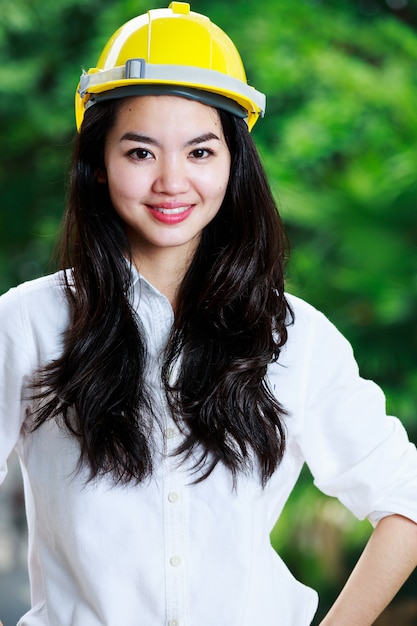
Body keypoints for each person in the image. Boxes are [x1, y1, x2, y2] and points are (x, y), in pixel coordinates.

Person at [0, 3, 416, 625]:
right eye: (140, 153)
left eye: (200, 152)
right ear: (99, 164)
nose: (172, 181)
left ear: (233, 163)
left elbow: (405, 503)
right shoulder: (27, 324)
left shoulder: (295, 339)